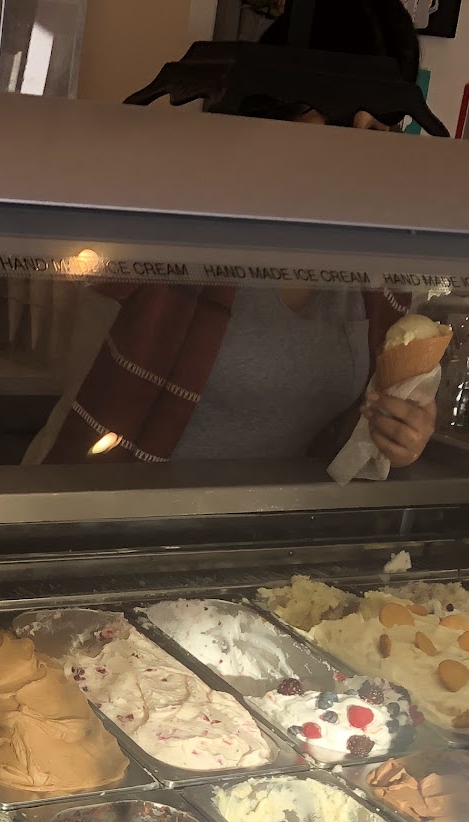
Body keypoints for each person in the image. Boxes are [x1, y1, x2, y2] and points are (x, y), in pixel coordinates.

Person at [30, 0, 439, 470]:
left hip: (263, 516)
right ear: (278, 106)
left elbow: (335, 431)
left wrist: (395, 431)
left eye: (379, 129)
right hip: (108, 503)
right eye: (341, 119)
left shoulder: (372, 274)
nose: (360, 151)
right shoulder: (182, 222)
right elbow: (80, 359)